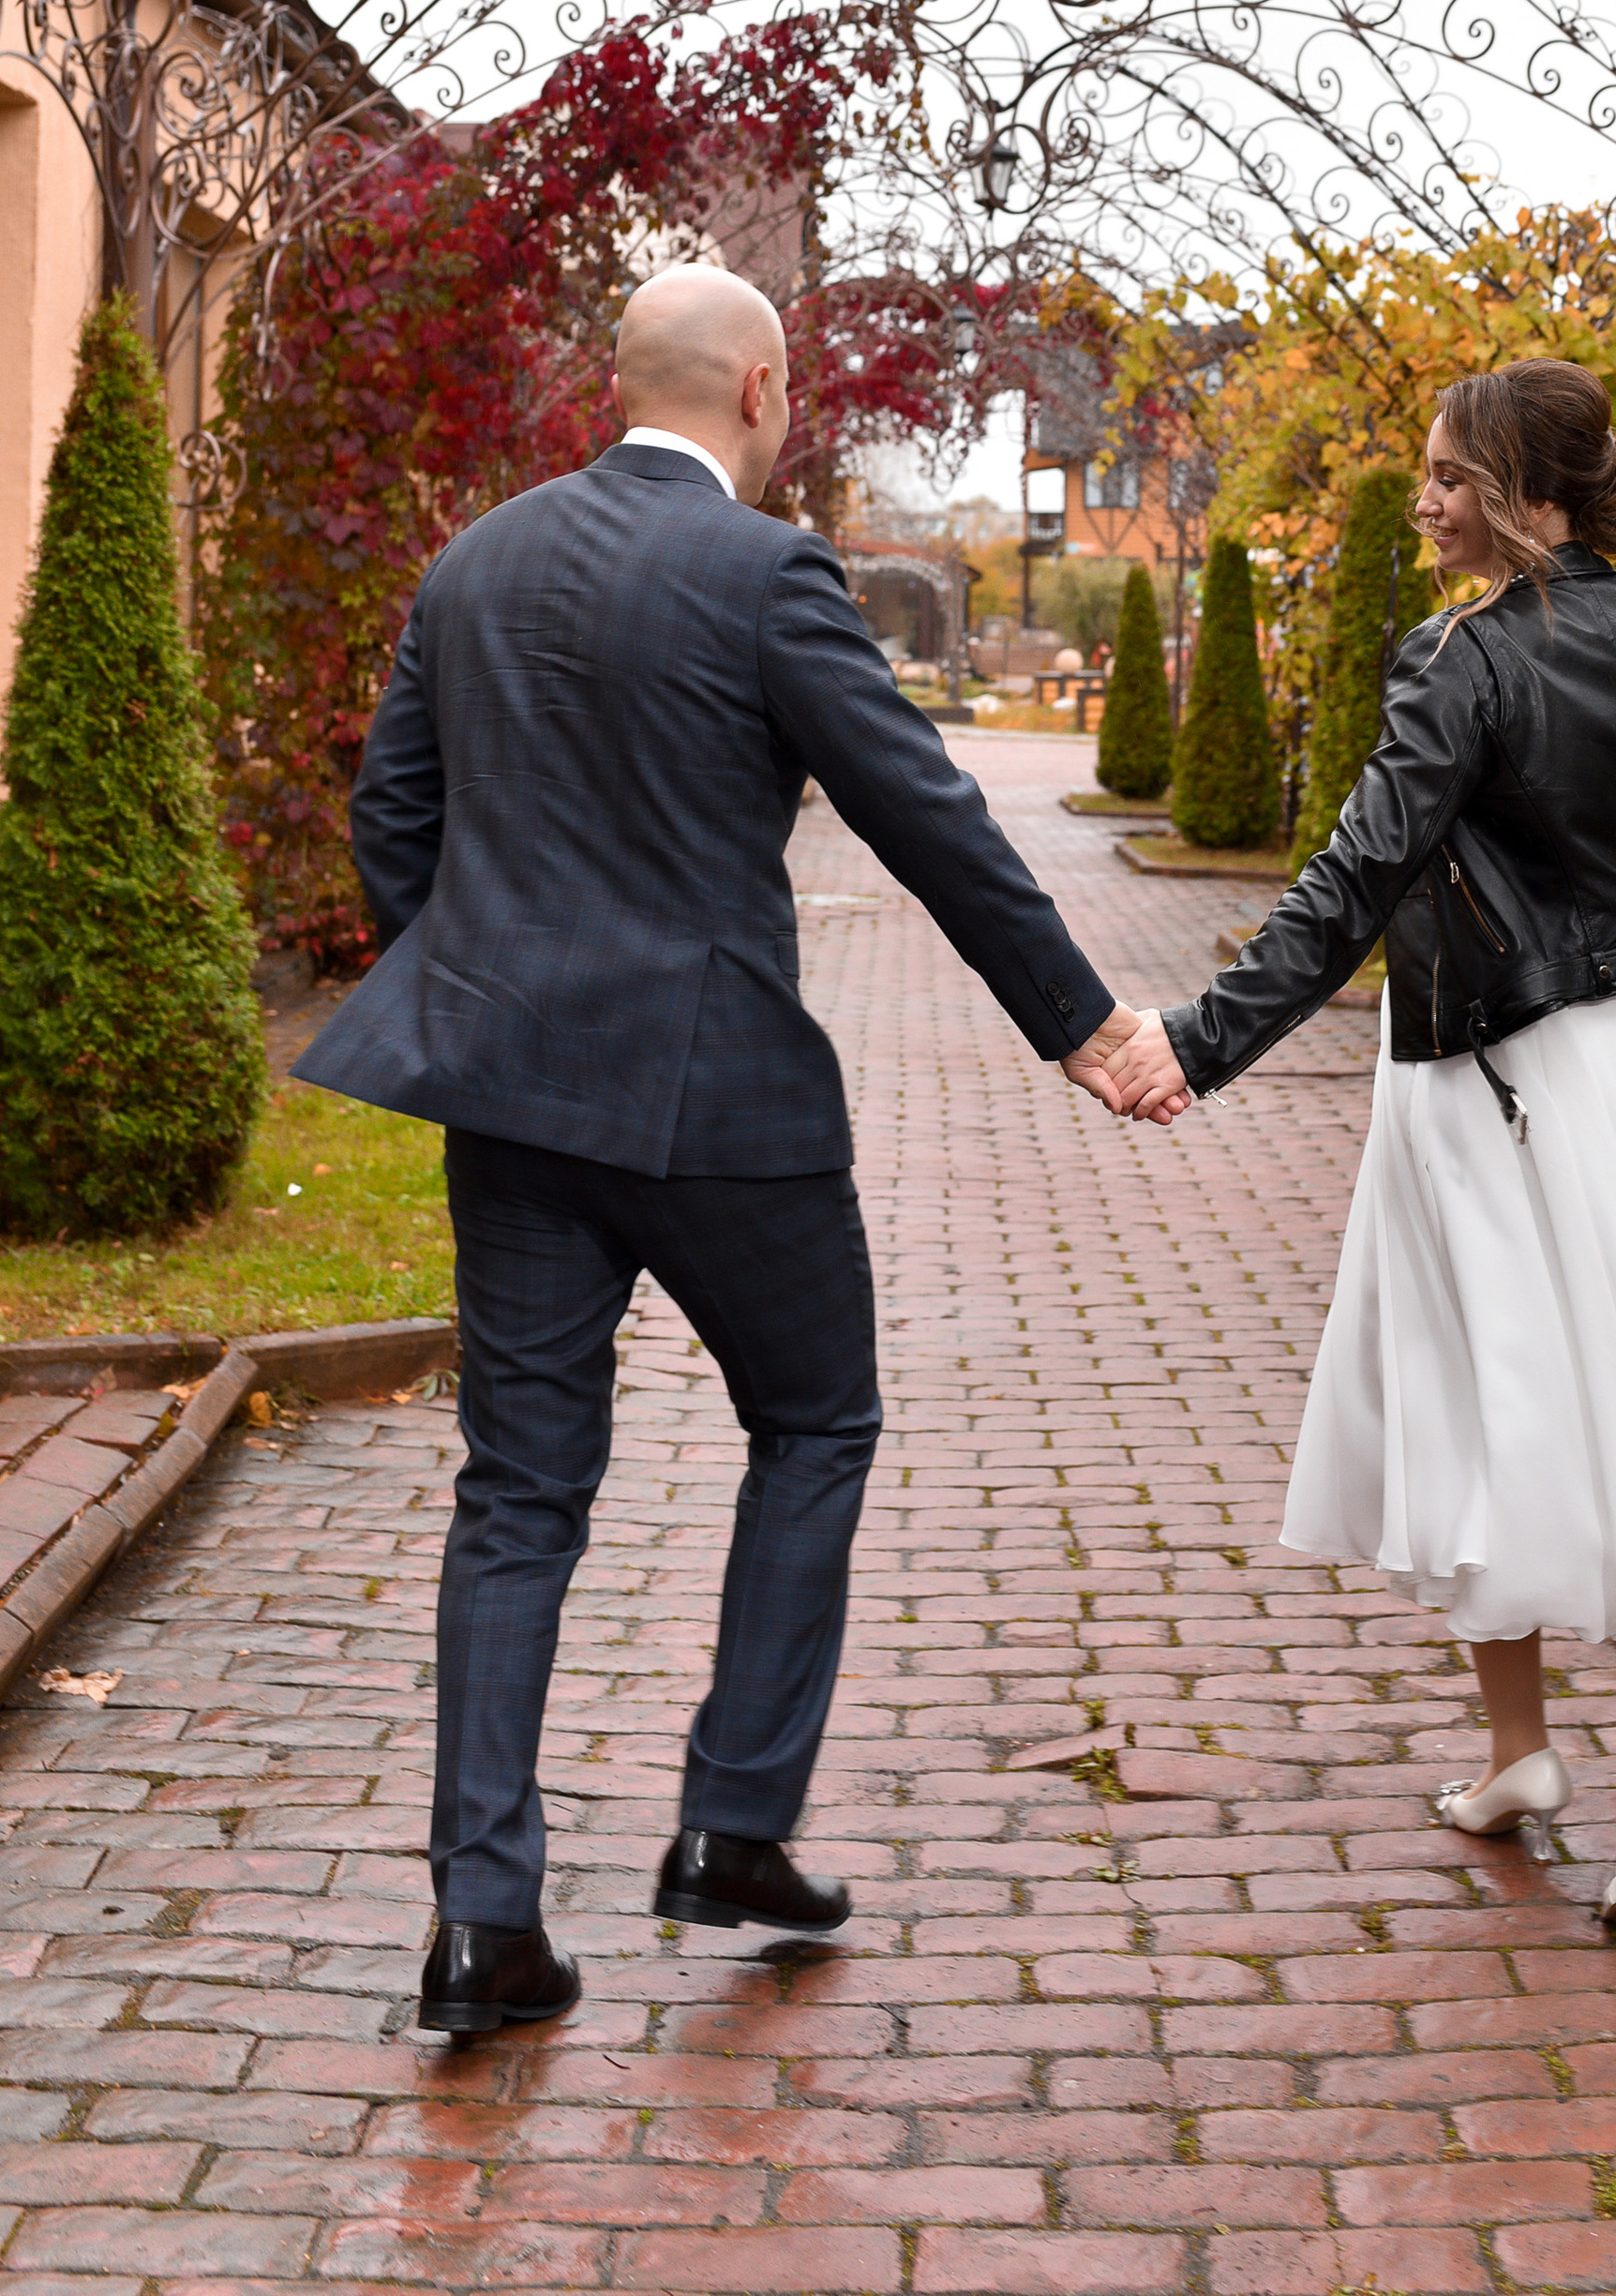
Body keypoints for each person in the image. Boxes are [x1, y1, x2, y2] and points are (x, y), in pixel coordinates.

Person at [300, 265, 1141, 2037]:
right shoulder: (768, 573)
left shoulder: (473, 563)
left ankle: (483, 1924)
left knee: (517, 1495)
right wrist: (1082, 1021)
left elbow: (396, 816)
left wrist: (477, 988)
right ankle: (734, 1825)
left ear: (623, 382)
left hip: (512, 1100)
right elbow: (927, 809)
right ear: (762, 389)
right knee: (817, 1417)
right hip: (719, 1104)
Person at [1103, 355, 1616, 1919]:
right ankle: (1547, 1749)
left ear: (1523, 499)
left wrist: (1200, 1041)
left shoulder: (1461, 661)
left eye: (1449, 477)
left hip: (1499, 1072)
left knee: (1506, 1391)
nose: (1426, 499)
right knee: (1612, 1379)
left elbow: (1358, 870)